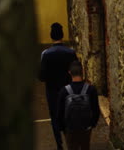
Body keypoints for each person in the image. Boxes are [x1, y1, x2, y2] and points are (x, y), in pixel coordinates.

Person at [39, 22, 77, 150]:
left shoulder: (46, 54)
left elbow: (42, 76)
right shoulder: (70, 53)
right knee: (69, 115)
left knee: (54, 116)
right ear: (62, 35)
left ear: (51, 36)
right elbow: (76, 71)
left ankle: (59, 144)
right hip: (68, 89)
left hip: (52, 90)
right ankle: (70, 142)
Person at [57, 61, 100, 150]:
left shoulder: (64, 91)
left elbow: (59, 112)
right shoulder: (91, 89)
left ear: (69, 72)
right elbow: (96, 110)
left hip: (70, 128)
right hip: (86, 127)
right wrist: (92, 124)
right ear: (82, 71)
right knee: (85, 147)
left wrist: (62, 127)